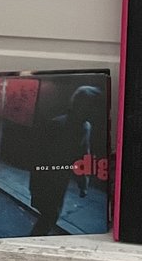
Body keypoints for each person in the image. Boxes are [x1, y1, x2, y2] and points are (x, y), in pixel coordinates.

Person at [29, 85, 105, 235]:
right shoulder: (56, 125)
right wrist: (34, 185)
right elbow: (38, 156)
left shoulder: (85, 127)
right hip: (46, 180)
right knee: (49, 216)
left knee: (49, 217)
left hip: (59, 182)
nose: (94, 111)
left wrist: (83, 183)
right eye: (91, 106)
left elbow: (83, 155)